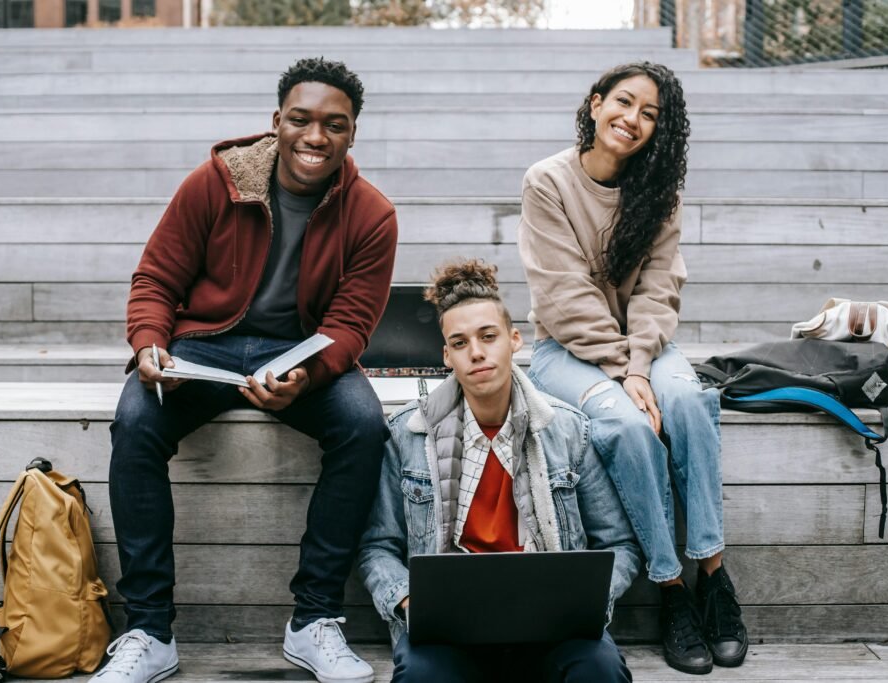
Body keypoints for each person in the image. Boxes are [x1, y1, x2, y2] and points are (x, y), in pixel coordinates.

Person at [95, 57, 397, 683]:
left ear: (352, 134)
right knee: (134, 420)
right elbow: (155, 280)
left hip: (302, 352)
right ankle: (149, 629)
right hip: (205, 343)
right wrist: (151, 345)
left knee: (365, 425)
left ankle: (313, 620)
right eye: (301, 120)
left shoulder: (371, 214)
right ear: (276, 122)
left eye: (334, 126)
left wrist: (307, 378)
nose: (315, 137)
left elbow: (351, 325)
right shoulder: (216, 183)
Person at [517, 62, 748, 675]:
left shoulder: (658, 189)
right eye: (623, 103)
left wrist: (641, 363)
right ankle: (671, 589)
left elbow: (657, 290)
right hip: (564, 351)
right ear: (595, 105)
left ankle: (713, 577)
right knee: (625, 426)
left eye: (651, 114)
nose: (633, 120)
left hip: (643, 346)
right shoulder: (548, 182)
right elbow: (564, 299)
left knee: (692, 402)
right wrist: (627, 372)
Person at [358, 259, 641, 683]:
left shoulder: (567, 430)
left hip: (553, 629)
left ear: (514, 340)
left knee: (599, 670)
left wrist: (584, 603)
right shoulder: (408, 435)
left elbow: (619, 543)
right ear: (446, 356)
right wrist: (409, 601)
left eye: (488, 336)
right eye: (460, 342)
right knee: (421, 676)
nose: (476, 352)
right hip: (449, 633)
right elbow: (376, 547)